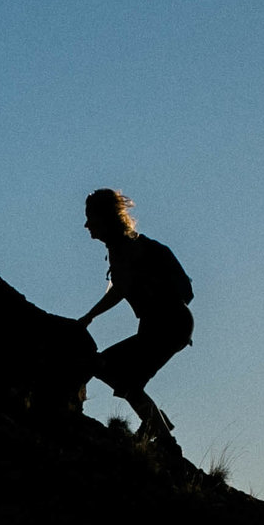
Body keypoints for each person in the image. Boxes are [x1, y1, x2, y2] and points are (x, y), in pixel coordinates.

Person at [77, 187, 194, 456]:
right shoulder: (128, 246)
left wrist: (88, 317)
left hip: (165, 325)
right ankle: (159, 428)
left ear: (105, 218)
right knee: (126, 381)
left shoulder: (124, 249)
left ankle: (165, 441)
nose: (86, 225)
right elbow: (121, 286)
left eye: (90, 218)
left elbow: (119, 289)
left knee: (104, 366)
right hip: (170, 324)